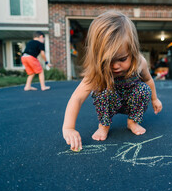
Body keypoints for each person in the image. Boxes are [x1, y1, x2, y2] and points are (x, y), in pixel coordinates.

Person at [62, 11, 163, 152]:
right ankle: (104, 125)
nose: (115, 66)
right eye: (108, 61)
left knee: (144, 89)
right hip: (110, 101)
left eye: (122, 59)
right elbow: (77, 97)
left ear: (132, 51)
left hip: (130, 101)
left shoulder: (140, 62)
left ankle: (132, 122)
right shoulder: (97, 71)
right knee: (102, 92)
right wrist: (68, 128)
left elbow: (148, 80)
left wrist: (155, 99)